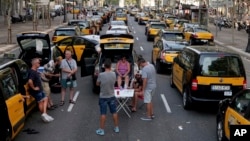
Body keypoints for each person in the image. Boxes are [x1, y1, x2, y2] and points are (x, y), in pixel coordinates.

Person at [96, 58, 119, 136]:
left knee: (103, 113)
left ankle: (101, 130)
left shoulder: (101, 75)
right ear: (111, 66)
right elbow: (114, 82)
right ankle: (116, 127)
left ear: (104, 66)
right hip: (112, 96)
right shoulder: (114, 74)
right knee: (114, 112)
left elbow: (97, 84)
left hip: (103, 97)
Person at [28, 58, 54, 122]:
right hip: (37, 91)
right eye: (38, 63)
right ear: (35, 64)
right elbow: (30, 81)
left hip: (40, 90)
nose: (39, 64)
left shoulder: (35, 71)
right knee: (40, 102)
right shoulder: (32, 72)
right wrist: (34, 88)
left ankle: (44, 114)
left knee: (45, 99)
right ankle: (44, 114)